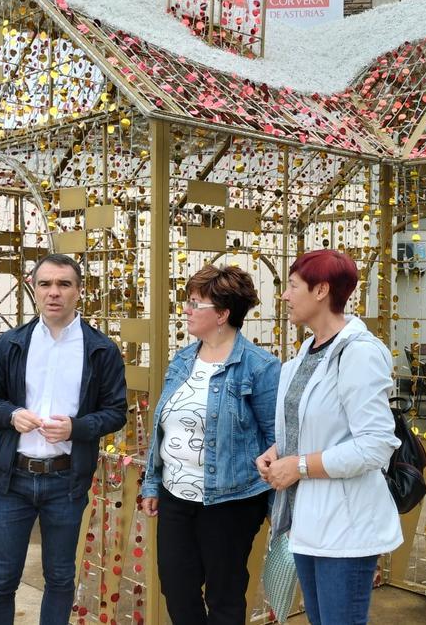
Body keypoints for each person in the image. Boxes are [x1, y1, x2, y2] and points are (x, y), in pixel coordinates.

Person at [0, 253, 127, 624]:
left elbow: (116, 411)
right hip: (13, 479)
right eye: (45, 284)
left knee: (59, 579)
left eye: (63, 284)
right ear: (33, 288)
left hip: (66, 481)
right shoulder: (11, 344)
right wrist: (11, 415)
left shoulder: (100, 349)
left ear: (79, 291)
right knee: (1, 580)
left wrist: (77, 428)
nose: (53, 292)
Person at [256, 249, 401, 625]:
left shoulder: (360, 354)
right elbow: (310, 425)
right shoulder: (308, 351)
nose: (284, 295)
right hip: (306, 520)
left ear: (321, 291)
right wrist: (277, 453)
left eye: (292, 286)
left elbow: (375, 444)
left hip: (345, 527)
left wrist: (299, 466)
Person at [140, 265, 280, 624]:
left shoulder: (260, 367)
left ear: (222, 314)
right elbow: (163, 427)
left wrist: (276, 506)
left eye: (195, 303)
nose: (186, 309)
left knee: (225, 594)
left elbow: (275, 440)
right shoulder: (183, 359)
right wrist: (153, 482)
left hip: (230, 503)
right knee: (176, 588)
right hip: (175, 497)